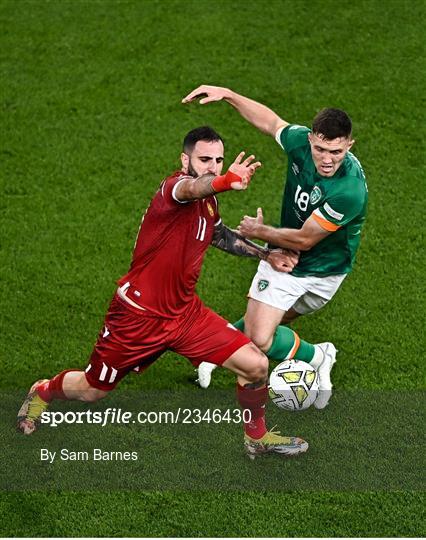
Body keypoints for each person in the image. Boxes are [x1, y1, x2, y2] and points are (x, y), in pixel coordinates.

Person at [18, 125, 311, 459]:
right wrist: (227, 180)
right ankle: (43, 390)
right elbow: (193, 187)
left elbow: (217, 234)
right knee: (91, 390)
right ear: (184, 159)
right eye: (204, 159)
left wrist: (265, 253)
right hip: (137, 318)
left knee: (256, 365)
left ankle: (257, 438)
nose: (212, 166)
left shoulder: (209, 201)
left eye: (218, 160)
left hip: (185, 315)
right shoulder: (174, 190)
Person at [183, 86, 368, 408]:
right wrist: (228, 95)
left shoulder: (349, 190)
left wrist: (259, 230)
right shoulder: (299, 141)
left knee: (269, 322)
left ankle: (219, 350)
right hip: (285, 261)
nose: (327, 159)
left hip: (327, 270)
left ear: (349, 146)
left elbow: (306, 239)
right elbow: (270, 122)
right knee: (260, 336)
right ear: (311, 139)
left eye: (336, 153)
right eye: (321, 149)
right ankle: (319, 355)